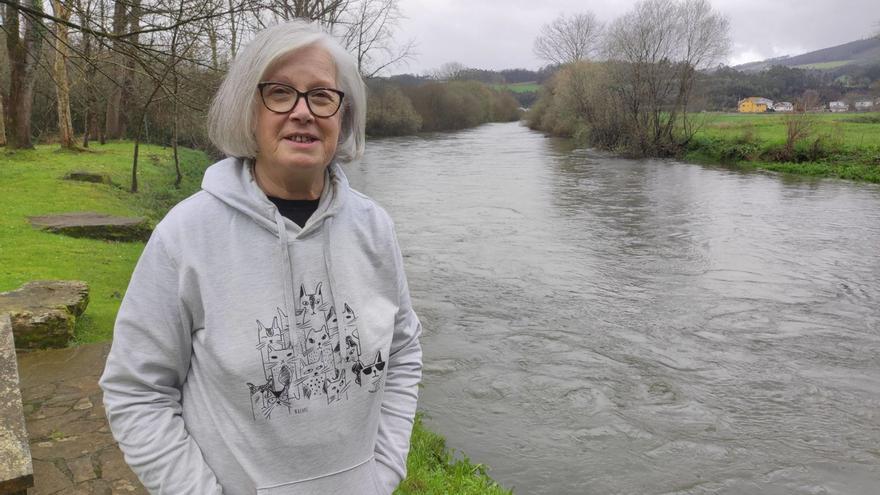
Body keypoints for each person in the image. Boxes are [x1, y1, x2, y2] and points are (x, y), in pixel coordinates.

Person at [99, 20, 422, 495]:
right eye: (280, 92)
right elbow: (136, 391)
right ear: (249, 110)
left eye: (322, 96)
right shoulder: (186, 236)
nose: (302, 112)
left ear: (343, 116)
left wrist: (385, 471)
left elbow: (403, 350)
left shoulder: (375, 228)